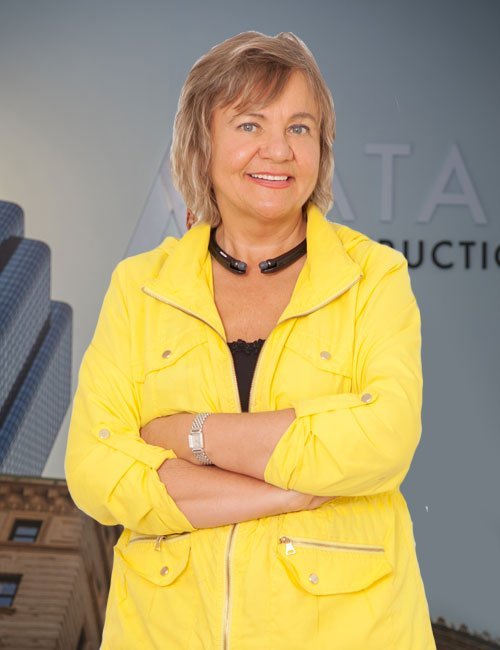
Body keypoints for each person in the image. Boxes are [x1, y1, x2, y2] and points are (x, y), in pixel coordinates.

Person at [65, 31, 436, 649]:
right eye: (249, 124)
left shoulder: (374, 275)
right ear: (201, 144)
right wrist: (287, 490)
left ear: (321, 147)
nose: (279, 150)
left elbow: (384, 437)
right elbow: (96, 471)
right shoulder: (140, 286)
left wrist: (191, 435)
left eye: (300, 128)